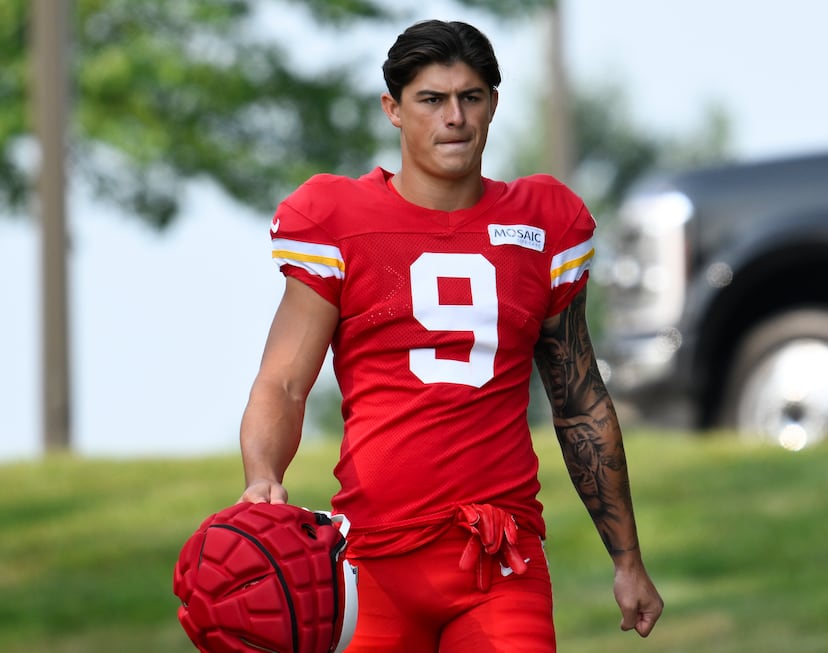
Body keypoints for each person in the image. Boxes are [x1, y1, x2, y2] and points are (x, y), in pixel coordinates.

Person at [237, 18, 664, 652]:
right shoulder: (339, 219)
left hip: (500, 557)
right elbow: (286, 379)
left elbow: (579, 401)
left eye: (470, 97)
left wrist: (627, 559)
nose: (454, 117)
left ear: (493, 104)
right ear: (394, 110)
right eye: (431, 100)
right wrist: (262, 475)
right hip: (373, 559)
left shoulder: (541, 222)